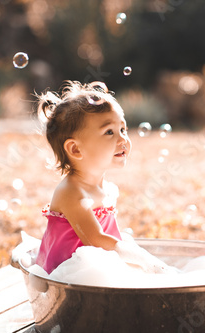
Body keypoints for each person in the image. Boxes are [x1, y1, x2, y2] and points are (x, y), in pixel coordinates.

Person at [34, 80, 170, 274]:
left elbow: (110, 240)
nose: (123, 139)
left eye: (123, 129)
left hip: (99, 264)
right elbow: (96, 240)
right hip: (69, 274)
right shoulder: (71, 192)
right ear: (75, 149)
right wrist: (141, 258)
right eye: (109, 132)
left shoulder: (106, 188)